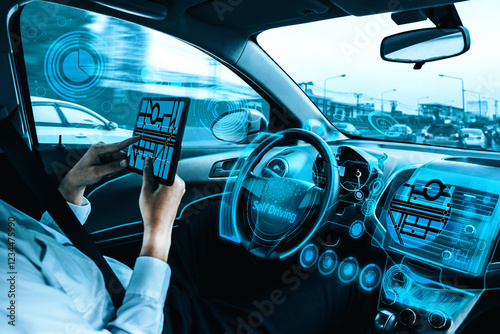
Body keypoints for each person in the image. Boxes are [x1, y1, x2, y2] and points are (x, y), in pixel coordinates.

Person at [0, 137, 185, 333]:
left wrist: (72, 186)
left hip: (138, 289)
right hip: (147, 318)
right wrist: (158, 232)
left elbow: (39, 245)